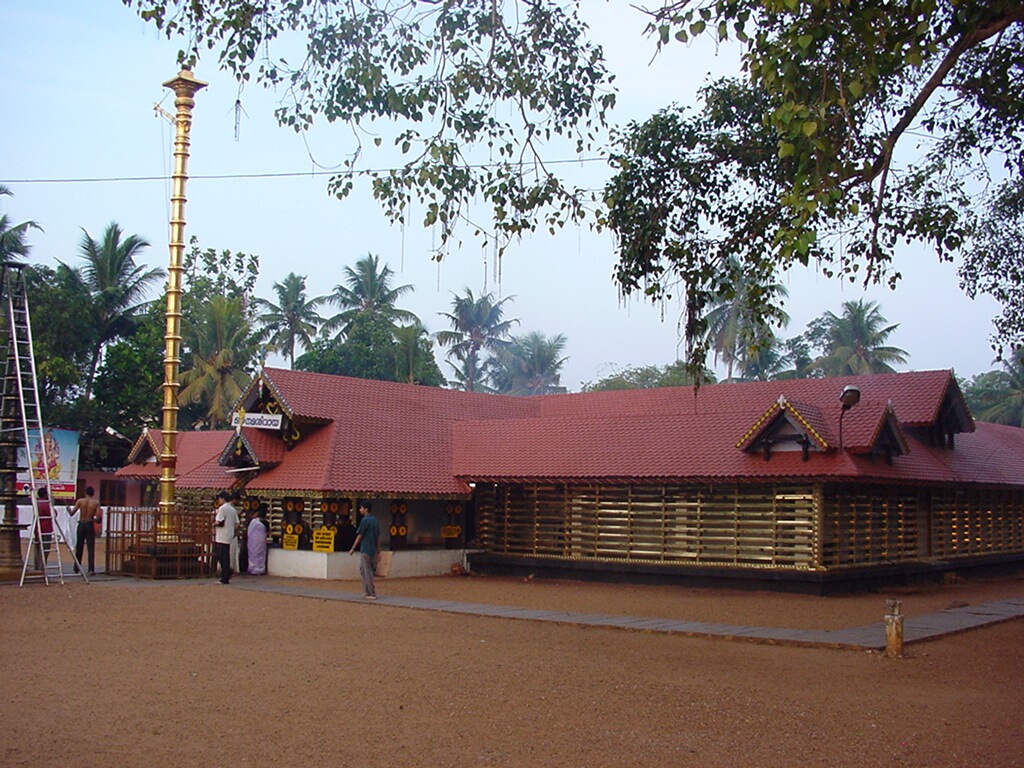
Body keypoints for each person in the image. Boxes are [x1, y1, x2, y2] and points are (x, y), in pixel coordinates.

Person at [349, 501, 380, 599]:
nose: (360, 510)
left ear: (366, 509)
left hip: (365, 548)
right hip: (372, 549)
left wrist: (353, 548)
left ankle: (371, 593)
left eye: (361, 508)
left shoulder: (365, 520)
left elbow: (360, 535)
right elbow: (378, 537)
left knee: (367, 571)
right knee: (363, 569)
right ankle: (366, 590)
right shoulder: (375, 520)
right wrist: (379, 551)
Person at [72, 486, 101, 574]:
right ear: (93, 493)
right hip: (89, 524)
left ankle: (76, 567)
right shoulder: (96, 503)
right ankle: (91, 569)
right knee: (90, 548)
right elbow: (98, 518)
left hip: (81, 524)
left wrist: (68, 509)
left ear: (85, 493)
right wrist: (93, 519)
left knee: (79, 546)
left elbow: (72, 513)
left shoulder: (80, 501)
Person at [213, 490, 239, 584]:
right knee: (225, 556)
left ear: (222, 499)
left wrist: (214, 524)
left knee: (220, 556)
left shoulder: (222, 508)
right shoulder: (232, 509)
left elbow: (219, 521)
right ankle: (227, 574)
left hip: (222, 535)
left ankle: (226, 574)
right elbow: (237, 523)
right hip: (229, 535)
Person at [32, 487, 53, 571]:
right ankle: (41, 569)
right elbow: (52, 514)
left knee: (37, 550)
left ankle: (36, 568)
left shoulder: (36, 502)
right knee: (44, 550)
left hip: (37, 528)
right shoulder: (45, 504)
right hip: (46, 529)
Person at [247, 506, 268, 575]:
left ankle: (253, 568)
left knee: (253, 554)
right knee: (260, 555)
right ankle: (259, 569)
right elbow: (267, 532)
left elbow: (249, 531)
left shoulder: (253, 522)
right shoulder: (265, 523)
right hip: (261, 542)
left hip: (252, 541)